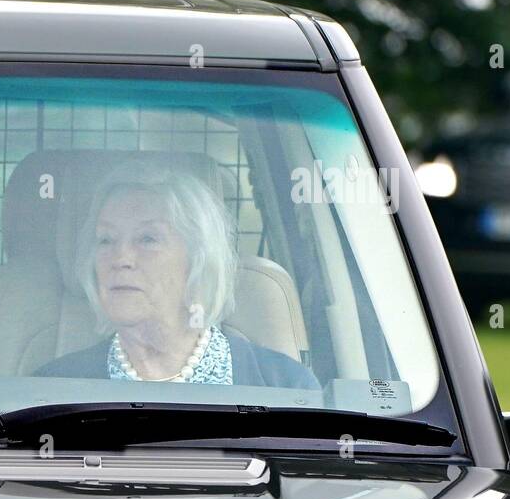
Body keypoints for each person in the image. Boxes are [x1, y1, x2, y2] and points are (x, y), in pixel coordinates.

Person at [36, 167, 318, 389]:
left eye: (147, 238)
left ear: (198, 260)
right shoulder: (50, 389)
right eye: (106, 239)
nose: (120, 258)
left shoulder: (285, 385)